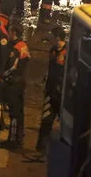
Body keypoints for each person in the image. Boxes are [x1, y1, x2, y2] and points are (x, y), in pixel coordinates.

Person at [0, 23, 30, 150]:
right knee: (19, 112)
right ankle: (19, 137)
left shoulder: (15, 48)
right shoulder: (24, 46)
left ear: (14, 33)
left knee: (14, 113)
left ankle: (13, 140)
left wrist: (1, 76)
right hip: (21, 82)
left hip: (14, 83)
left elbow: (13, 67)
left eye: (10, 31)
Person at [35, 26, 66, 154]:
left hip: (62, 94)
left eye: (52, 37)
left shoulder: (68, 52)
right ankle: (41, 147)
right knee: (46, 119)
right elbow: (50, 67)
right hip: (50, 90)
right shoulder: (53, 50)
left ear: (58, 38)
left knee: (64, 124)